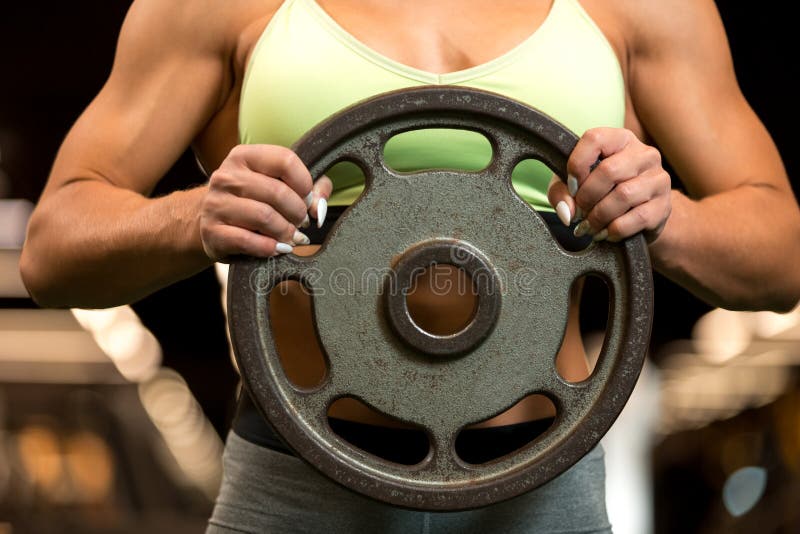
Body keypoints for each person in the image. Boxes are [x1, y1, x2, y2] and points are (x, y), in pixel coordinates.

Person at [19, 0, 800, 532]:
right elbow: (54, 249)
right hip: (298, 479)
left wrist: (660, 219)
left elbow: (781, 254)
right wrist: (191, 215)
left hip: (538, 486)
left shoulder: (637, 8)